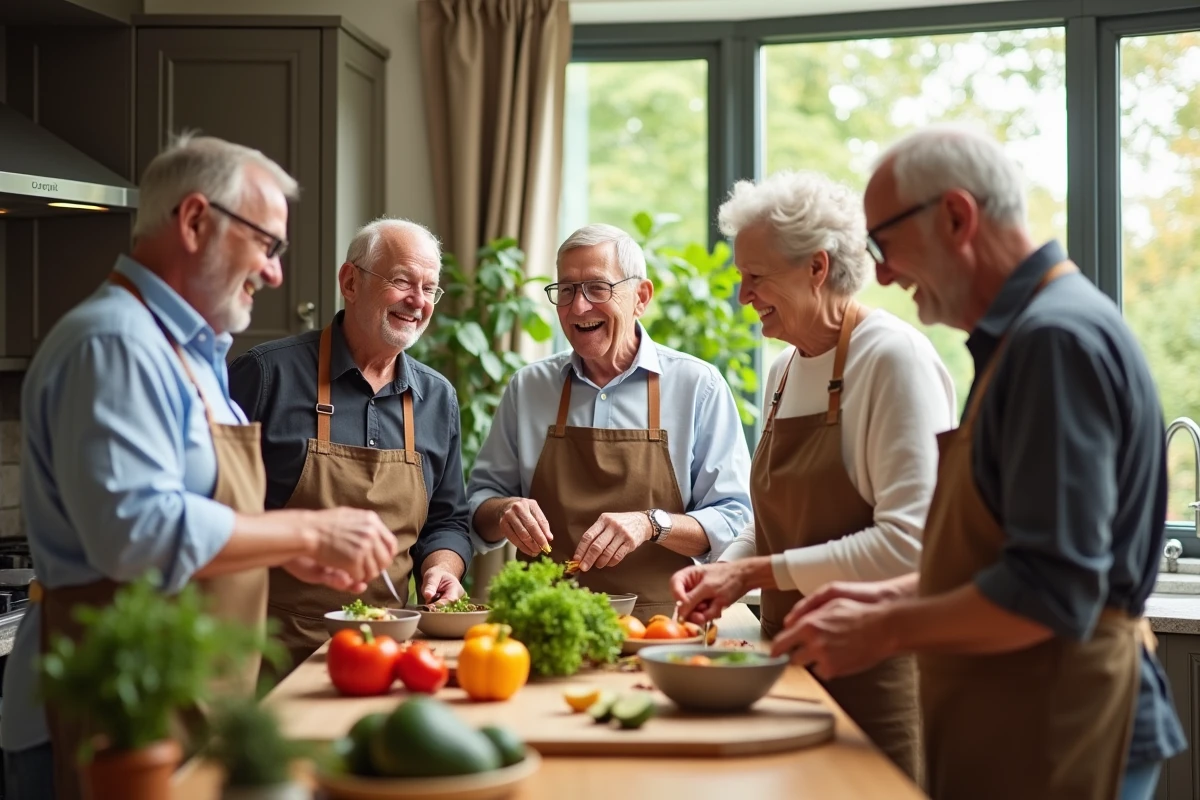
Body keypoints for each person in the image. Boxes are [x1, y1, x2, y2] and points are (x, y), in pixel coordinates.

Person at [770, 125, 1186, 800]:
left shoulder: (1054, 342)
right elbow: (1009, 560)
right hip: (1029, 722)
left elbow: (1052, 589)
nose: (882, 274)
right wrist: (890, 592)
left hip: (1063, 725)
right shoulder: (1026, 336)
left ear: (957, 216)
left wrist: (884, 625)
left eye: (885, 244)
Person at [1, 134, 400, 800]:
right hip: (108, 721)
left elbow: (193, 511)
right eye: (267, 244)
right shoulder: (116, 344)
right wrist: (307, 534)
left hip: (183, 707)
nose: (274, 272)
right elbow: (134, 531)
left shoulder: (194, 353)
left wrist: (277, 553)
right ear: (193, 221)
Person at [669, 170, 955, 782]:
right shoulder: (781, 370)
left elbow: (912, 545)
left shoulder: (892, 360)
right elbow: (776, 527)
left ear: (817, 268)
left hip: (876, 675)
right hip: (785, 666)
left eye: (756, 277)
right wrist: (728, 566)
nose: (743, 296)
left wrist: (756, 570)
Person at [467, 224, 753, 620]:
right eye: (566, 290)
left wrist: (652, 524)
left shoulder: (696, 386)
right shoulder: (529, 387)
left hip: (660, 630)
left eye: (597, 288)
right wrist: (503, 512)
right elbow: (479, 504)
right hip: (545, 625)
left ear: (641, 297)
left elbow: (735, 518)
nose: (579, 307)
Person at [229, 218, 473, 672]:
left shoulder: (438, 398)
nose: (417, 301)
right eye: (402, 281)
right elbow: (216, 508)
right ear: (350, 282)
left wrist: (442, 568)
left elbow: (448, 520)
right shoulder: (264, 376)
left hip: (390, 652)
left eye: (429, 288)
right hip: (272, 654)